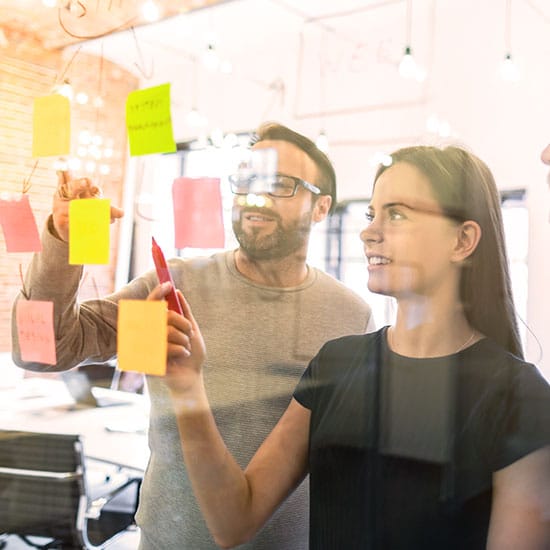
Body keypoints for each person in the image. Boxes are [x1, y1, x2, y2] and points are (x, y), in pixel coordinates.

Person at [157, 144, 550, 549]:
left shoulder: (519, 397)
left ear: (462, 240)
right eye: (371, 214)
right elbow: (233, 521)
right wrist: (188, 388)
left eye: (396, 214)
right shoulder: (336, 363)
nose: (368, 232)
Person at [11, 122, 374, 549]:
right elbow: (43, 351)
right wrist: (63, 244)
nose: (256, 197)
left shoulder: (350, 315)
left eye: (280, 183)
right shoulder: (173, 286)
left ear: (321, 206)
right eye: (247, 181)